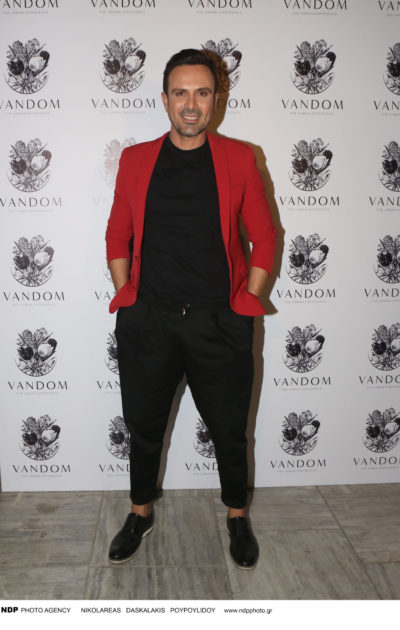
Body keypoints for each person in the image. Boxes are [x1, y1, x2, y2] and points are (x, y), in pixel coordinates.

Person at [105, 49, 276, 570]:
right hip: (149, 320)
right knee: (143, 427)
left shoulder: (240, 159)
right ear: (165, 99)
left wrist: (246, 302)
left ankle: (237, 516)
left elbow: (265, 238)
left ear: (216, 99)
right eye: (181, 93)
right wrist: (127, 294)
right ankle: (139, 513)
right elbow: (117, 235)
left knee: (229, 430)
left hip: (218, 322)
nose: (191, 104)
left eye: (202, 93)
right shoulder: (136, 160)